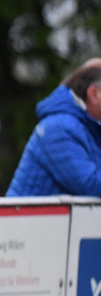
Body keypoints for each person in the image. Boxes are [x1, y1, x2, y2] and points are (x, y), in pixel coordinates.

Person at [6, 58, 101, 197]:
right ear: (93, 94)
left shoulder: (88, 126)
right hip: (30, 218)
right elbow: (90, 186)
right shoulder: (59, 127)